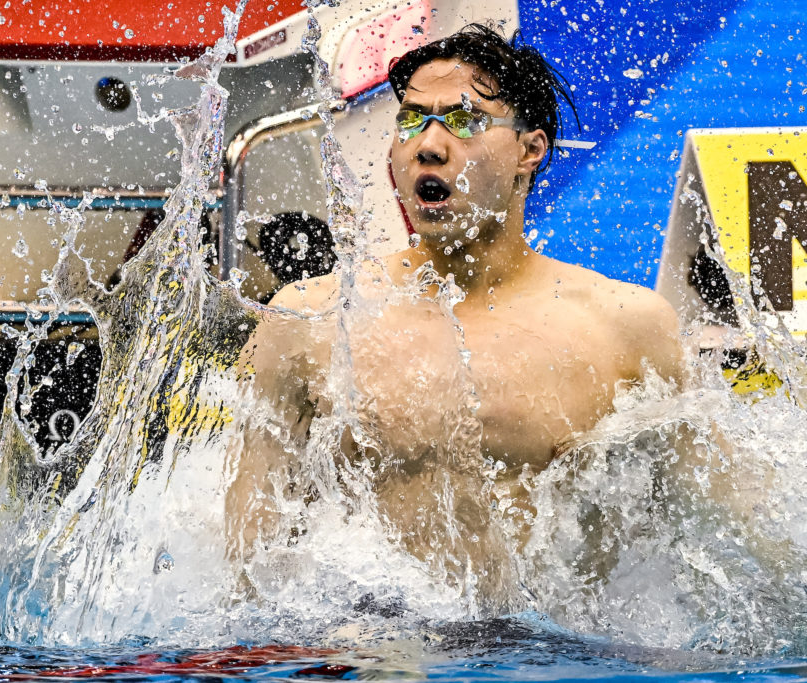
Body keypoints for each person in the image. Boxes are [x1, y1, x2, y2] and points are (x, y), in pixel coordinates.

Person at [226, 24, 682, 605]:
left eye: (464, 121)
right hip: (376, 650)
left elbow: (718, 530)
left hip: (553, 655)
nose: (428, 145)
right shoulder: (313, 319)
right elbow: (248, 567)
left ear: (529, 150)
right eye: (411, 120)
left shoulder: (624, 327)